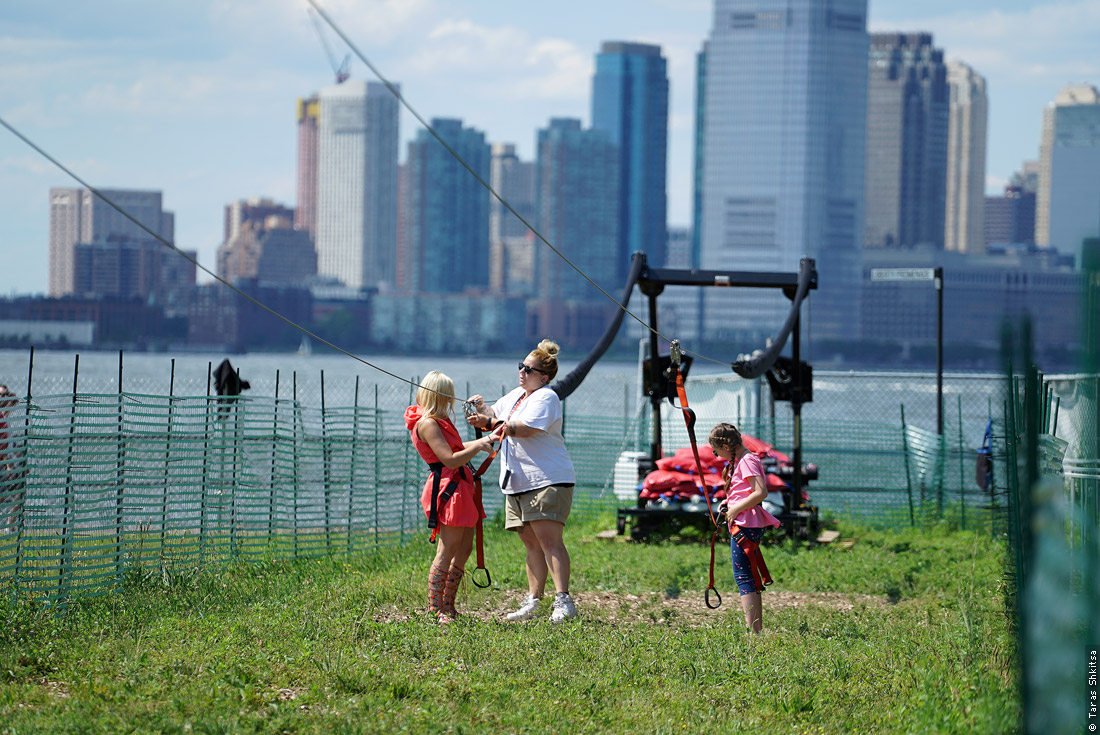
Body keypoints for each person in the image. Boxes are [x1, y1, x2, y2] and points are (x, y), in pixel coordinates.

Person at [467, 339, 579, 623]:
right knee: (531, 544)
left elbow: (524, 429)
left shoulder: (546, 397)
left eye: (529, 370)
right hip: (518, 481)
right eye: (521, 366)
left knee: (549, 541)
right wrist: (482, 410)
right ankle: (535, 601)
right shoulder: (518, 395)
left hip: (547, 479)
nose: (522, 372)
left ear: (543, 377)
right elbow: (495, 415)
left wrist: (489, 424)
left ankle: (564, 601)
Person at [404, 371, 498, 623]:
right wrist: (479, 445)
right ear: (437, 394)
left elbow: (456, 450)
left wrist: (487, 439)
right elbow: (448, 458)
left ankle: (449, 605)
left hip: (461, 486)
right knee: (446, 551)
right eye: (447, 394)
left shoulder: (440, 420)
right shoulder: (428, 423)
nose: (451, 399)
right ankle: (436, 610)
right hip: (448, 488)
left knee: (464, 549)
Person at [709, 422, 780, 634]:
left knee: (744, 578)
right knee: (749, 577)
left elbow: (760, 492)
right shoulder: (743, 460)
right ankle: (755, 630)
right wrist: (729, 503)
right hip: (745, 520)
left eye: (716, 450)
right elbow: (745, 490)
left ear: (725, 445)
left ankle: (754, 631)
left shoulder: (747, 460)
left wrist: (735, 509)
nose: (715, 454)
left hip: (745, 523)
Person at [0, 385, 22, 534]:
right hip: (3, 465)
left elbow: (9, 447)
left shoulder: (6, 421)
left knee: (20, 491)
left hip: (5, 465)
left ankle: (10, 523)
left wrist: (18, 463)